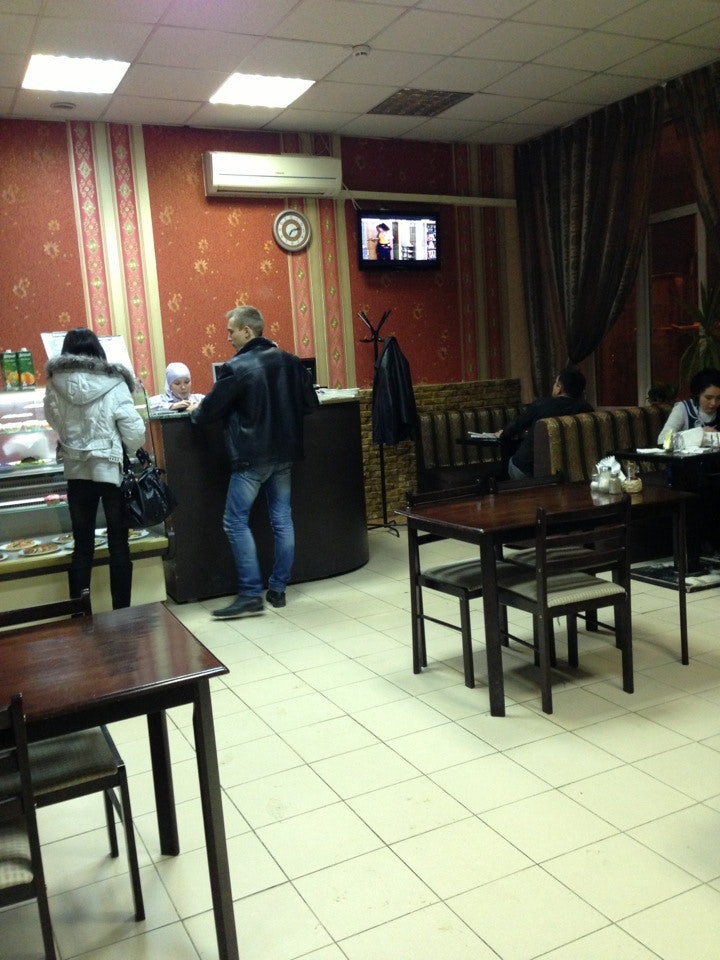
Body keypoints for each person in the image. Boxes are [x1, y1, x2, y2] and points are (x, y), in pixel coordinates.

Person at [191, 305, 319, 619]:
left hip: (251, 457)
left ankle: (250, 594)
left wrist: (193, 411)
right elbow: (311, 404)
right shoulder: (291, 361)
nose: (228, 338)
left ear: (247, 331)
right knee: (282, 521)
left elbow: (207, 413)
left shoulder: (236, 367)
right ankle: (278, 589)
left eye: (231, 331)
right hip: (285, 455)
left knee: (235, 522)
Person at [44, 328, 147, 609]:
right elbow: (133, 431)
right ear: (98, 350)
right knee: (118, 544)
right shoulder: (114, 381)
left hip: (76, 472)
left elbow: (52, 420)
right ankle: (122, 614)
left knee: (82, 546)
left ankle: (80, 615)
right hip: (110, 471)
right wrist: (127, 448)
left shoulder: (54, 382)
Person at [496, 368, 593, 478]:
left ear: (559, 388)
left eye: (555, 383)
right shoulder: (587, 410)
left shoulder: (541, 405)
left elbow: (513, 428)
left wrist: (502, 433)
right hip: (571, 470)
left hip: (528, 470)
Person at [657, 367, 720, 444]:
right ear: (697, 394)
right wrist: (698, 434)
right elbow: (662, 440)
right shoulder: (682, 409)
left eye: (719, 398)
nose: (714, 403)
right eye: (708, 398)